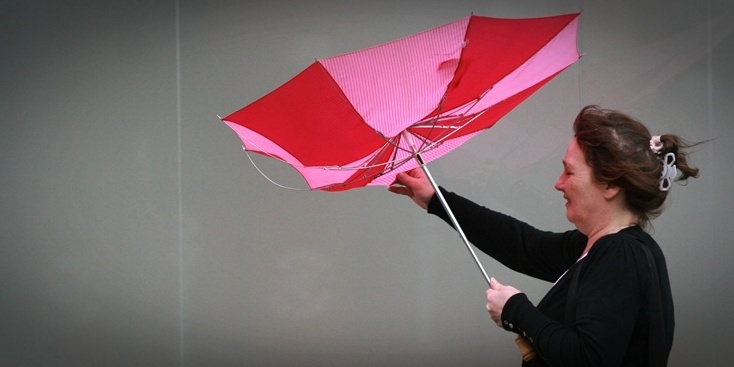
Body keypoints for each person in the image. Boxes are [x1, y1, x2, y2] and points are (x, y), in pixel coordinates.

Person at [388, 105, 700, 366]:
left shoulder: (620, 256)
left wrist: (516, 310)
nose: (558, 183)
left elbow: (589, 357)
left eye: (569, 171)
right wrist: (436, 200)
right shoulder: (599, 246)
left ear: (610, 184)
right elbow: (522, 244)